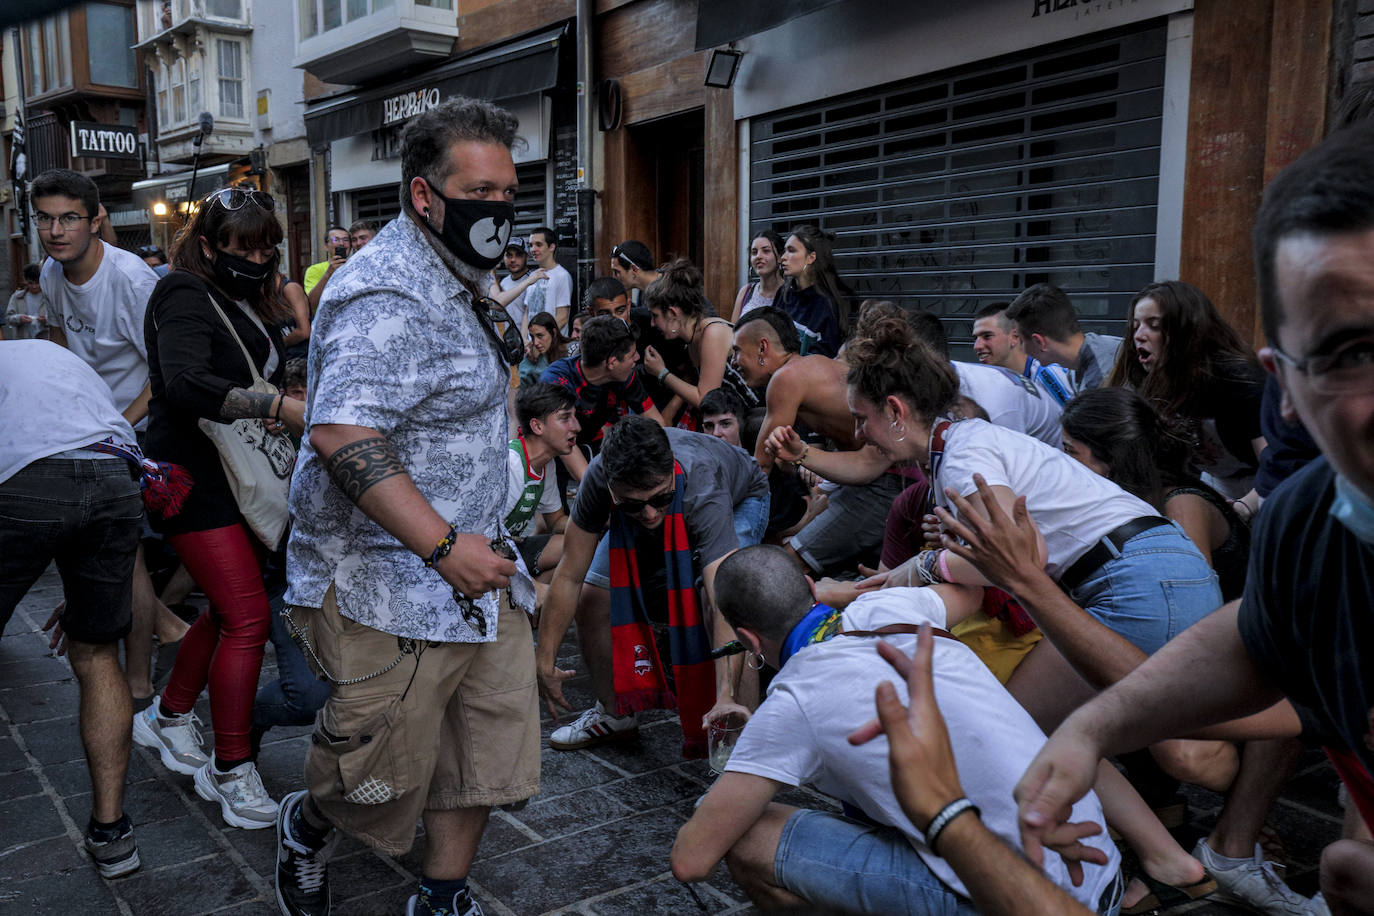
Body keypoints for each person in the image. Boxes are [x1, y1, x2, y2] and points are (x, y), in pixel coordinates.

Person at [1014, 121, 1374, 916]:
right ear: (1289, 390)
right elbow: (1256, 635)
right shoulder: (1311, 524)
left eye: (1155, 323)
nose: (1142, 336)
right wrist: (1089, 731)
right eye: (1352, 351)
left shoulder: (1207, 503)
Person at [275, 96, 539, 916]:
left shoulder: (459, 270)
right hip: (392, 582)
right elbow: (341, 431)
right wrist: (442, 547)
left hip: (479, 569)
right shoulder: (386, 290)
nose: (498, 209)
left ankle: (442, 894)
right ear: (424, 195)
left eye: (508, 192)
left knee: (481, 748)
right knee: (371, 768)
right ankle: (307, 825)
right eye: (480, 192)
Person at [669, 545, 1121, 915]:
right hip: (1098, 876)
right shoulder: (894, 605)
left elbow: (691, 860)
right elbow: (971, 594)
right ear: (810, 587)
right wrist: (852, 594)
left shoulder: (794, 701)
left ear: (748, 639)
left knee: (741, 832)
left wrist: (750, 757)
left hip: (1014, 901)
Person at [135, 186, 305, 831]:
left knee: (232, 608)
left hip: (241, 476)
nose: (257, 260)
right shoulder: (181, 292)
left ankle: (170, 714)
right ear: (207, 246)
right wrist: (275, 406)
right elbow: (183, 383)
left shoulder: (249, 298)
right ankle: (231, 768)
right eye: (244, 248)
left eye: (266, 249)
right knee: (247, 618)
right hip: (193, 478)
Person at [32, 168, 186, 702]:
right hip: (92, 427)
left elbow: (165, 371)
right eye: (45, 219)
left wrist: (117, 427)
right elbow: (60, 341)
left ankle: (140, 680)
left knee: (126, 554)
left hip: (140, 427)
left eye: (69, 218)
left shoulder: (131, 281)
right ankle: (166, 632)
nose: (56, 231)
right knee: (114, 552)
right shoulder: (51, 272)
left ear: (95, 220)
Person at [0, 340, 149, 879]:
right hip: (115, 479)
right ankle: (112, 835)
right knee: (96, 653)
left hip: (30, 481)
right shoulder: (52, 355)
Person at [536, 416, 770, 755]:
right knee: (593, 596)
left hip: (740, 498)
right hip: (665, 495)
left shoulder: (701, 480)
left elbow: (722, 599)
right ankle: (614, 714)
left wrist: (724, 693)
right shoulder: (598, 477)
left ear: (669, 474)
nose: (648, 515)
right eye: (634, 503)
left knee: (732, 602)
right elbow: (570, 574)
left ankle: (741, 742)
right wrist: (544, 661)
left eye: (659, 499)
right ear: (611, 488)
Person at [735, 306, 905, 574]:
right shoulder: (812, 366)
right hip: (866, 476)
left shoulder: (785, 378)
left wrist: (731, 521)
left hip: (884, 481)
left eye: (737, 351)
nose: (734, 362)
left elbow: (760, 467)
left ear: (762, 348)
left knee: (785, 567)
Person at [1060, 387, 1250, 602]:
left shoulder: (1182, 506)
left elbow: (1191, 597)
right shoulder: (1138, 497)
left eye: (1070, 450)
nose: (1063, 460)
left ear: (1110, 456)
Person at [1105, 280, 1268, 506]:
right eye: (1136, 326)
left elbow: (1278, 463)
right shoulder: (1151, 378)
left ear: (1187, 331)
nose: (1138, 335)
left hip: (1265, 483)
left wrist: (1245, 508)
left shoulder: (1239, 379)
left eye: (1154, 325)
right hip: (1217, 481)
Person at [540, 315, 665, 480]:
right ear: (612, 363)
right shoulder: (558, 379)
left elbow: (659, 425)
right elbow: (580, 469)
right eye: (632, 354)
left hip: (586, 442)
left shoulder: (625, 375)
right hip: (548, 450)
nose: (637, 358)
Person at [642, 258, 759, 425]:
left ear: (673, 313)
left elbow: (705, 398)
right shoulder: (692, 338)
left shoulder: (712, 333)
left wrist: (661, 373)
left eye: (655, 316)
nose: (652, 323)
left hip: (758, 417)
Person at [506, 383, 578, 581]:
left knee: (580, 547)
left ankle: (534, 597)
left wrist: (591, 526)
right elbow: (481, 536)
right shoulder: (512, 464)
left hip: (508, 547)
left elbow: (556, 521)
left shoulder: (547, 464)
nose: (576, 427)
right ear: (537, 426)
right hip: (486, 553)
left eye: (574, 417)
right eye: (565, 418)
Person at [1006, 283, 1122, 392]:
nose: (1021, 349)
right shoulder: (1079, 366)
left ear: (1039, 342)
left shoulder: (1100, 379)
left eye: (1021, 341)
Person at [972, 301, 1076, 407]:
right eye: (975, 338)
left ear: (1015, 337)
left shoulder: (1046, 374)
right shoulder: (994, 382)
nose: (977, 346)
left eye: (987, 336)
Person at [775, 224, 851, 358]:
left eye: (791, 251)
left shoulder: (826, 305)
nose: (783, 258)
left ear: (811, 257)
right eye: (784, 251)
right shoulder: (784, 294)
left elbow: (823, 359)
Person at [487, 237, 543, 340]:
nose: (513, 260)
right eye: (509, 255)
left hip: (528, 342)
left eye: (518, 255)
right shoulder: (504, 282)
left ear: (527, 257)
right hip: (508, 342)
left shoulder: (535, 281)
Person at [730, 230, 785, 323]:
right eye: (754, 252)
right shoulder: (746, 291)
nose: (758, 256)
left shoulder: (791, 294)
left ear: (780, 257)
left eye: (766, 251)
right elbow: (733, 329)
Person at [525, 226, 573, 331]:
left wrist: (542, 337)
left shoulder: (562, 275)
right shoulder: (532, 275)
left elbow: (562, 317)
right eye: (531, 245)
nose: (533, 249)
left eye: (538, 245)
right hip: (531, 340)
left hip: (551, 339)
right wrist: (524, 337)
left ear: (551, 247)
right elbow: (527, 312)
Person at [303, 226, 349, 315]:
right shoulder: (315, 270)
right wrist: (328, 273)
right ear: (326, 246)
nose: (341, 243)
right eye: (335, 239)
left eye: (346, 240)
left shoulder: (356, 267)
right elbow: (310, 304)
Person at [517, 311, 569, 387]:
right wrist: (530, 363)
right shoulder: (533, 355)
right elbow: (523, 384)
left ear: (554, 333)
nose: (535, 342)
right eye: (532, 337)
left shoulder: (571, 351)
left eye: (540, 336)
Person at [5, 263, 46, 340]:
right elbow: (8, 318)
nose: (34, 286)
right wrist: (19, 318)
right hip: (23, 340)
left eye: (37, 283)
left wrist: (46, 320)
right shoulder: (17, 297)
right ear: (25, 281)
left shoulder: (48, 297)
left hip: (44, 340)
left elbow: (58, 318)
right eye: (30, 283)